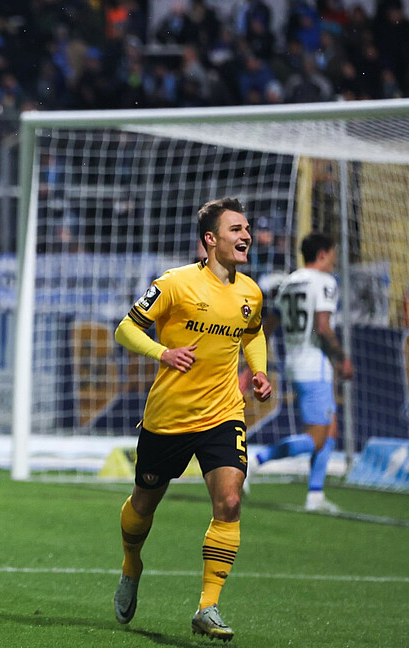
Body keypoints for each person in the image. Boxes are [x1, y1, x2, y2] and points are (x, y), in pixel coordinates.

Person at [111, 197, 271, 641]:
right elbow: (126, 327)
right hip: (170, 418)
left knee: (231, 502)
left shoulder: (250, 292)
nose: (245, 236)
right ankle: (131, 565)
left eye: (246, 228)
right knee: (144, 505)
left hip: (223, 414)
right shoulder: (175, 284)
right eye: (235, 229)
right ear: (210, 240)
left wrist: (258, 371)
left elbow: (253, 333)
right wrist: (163, 352)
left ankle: (208, 606)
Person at [257, 232, 353, 512]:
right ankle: (256, 461)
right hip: (315, 365)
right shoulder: (324, 281)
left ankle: (315, 495)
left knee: (330, 428)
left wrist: (253, 361)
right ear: (322, 254)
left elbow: (268, 326)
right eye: (332, 254)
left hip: (294, 363)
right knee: (317, 438)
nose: (334, 260)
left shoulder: (288, 282)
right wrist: (342, 358)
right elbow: (323, 327)